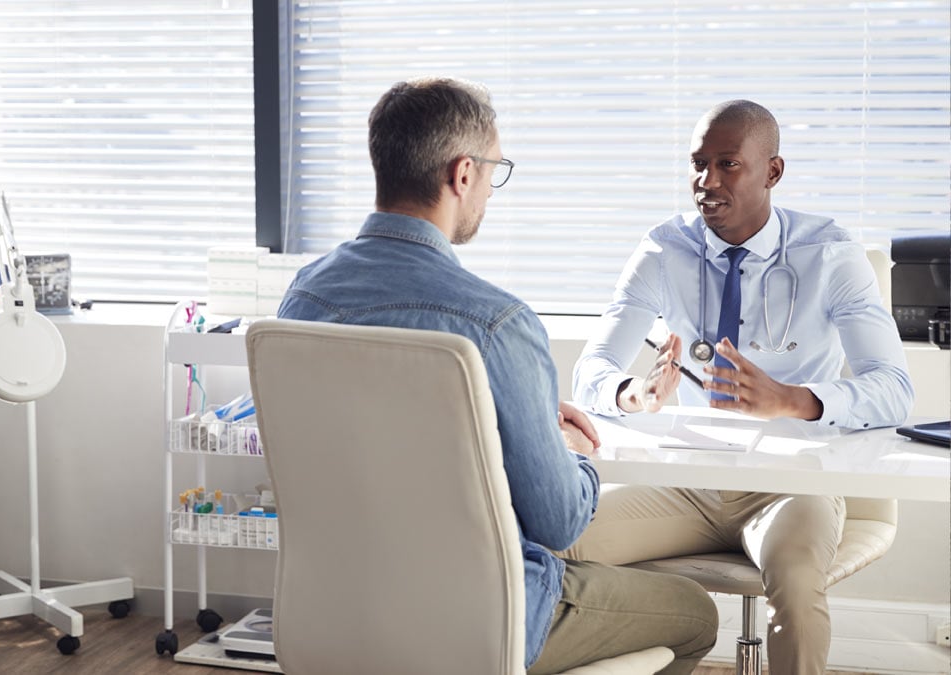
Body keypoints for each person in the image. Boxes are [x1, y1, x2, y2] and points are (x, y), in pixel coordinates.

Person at [276, 76, 717, 674]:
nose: (490, 188)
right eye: (493, 171)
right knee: (695, 616)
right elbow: (559, 521)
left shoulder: (303, 300)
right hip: (487, 619)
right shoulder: (496, 323)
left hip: (339, 610)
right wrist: (565, 448)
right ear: (462, 174)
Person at [571, 99, 914, 673]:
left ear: (772, 172)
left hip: (793, 483)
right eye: (698, 164)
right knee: (554, 542)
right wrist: (636, 394)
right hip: (689, 485)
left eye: (727, 164)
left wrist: (792, 400)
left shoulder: (829, 253)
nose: (706, 182)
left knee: (799, 589)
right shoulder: (663, 249)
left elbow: (894, 390)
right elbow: (591, 372)